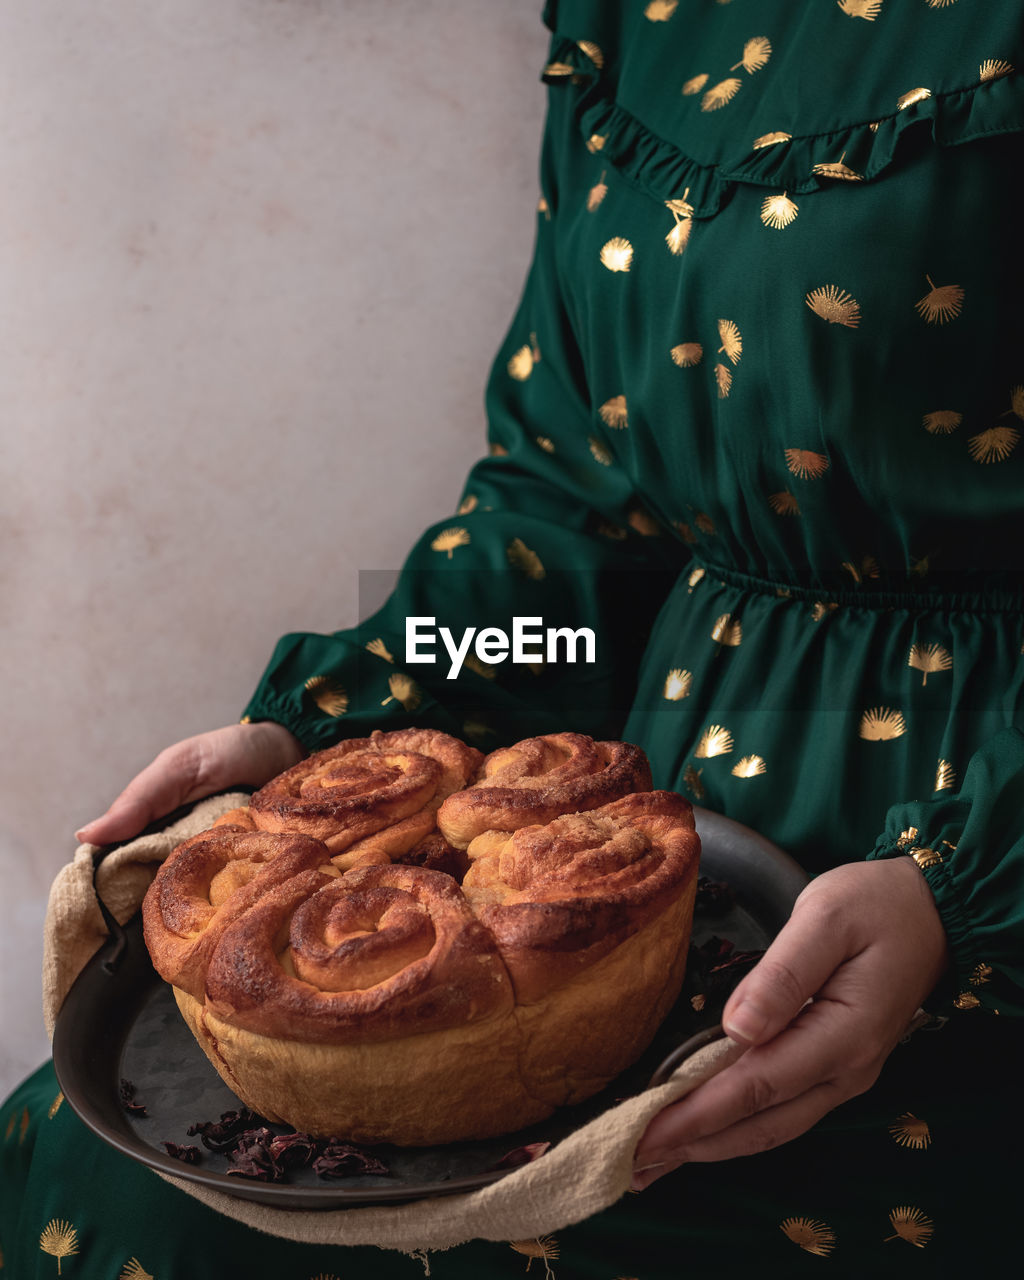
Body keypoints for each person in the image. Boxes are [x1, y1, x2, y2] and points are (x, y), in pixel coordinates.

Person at [4, 0, 1023, 1274]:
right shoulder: (643, 17)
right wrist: (338, 717)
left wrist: (973, 882)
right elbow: (586, 522)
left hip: (968, 917)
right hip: (645, 877)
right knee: (83, 1162)